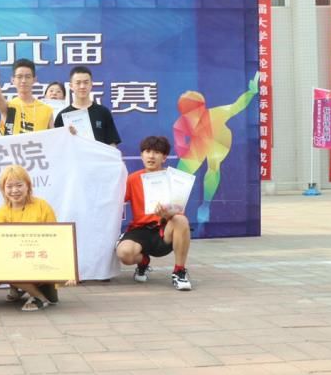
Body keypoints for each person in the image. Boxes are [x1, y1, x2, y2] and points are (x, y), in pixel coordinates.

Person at [173, 73, 259, 228]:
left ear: (202, 108)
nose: (193, 117)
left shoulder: (216, 114)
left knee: (213, 166)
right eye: (188, 114)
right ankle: (176, 208)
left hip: (219, 139)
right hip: (199, 142)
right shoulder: (181, 123)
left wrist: (251, 92)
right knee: (180, 173)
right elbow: (180, 143)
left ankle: (205, 205)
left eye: (196, 111)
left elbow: (236, 106)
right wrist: (183, 150)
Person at [0, 165, 76, 311]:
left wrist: (68, 269)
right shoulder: (1, 212)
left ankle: (27, 288)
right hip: (16, 259)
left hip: (41, 259)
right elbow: (0, 245)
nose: (14, 190)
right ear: (3, 189)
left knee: (53, 298)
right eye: (9, 186)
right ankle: (37, 296)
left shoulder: (42, 206)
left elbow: (56, 239)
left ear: (28, 186)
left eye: (19, 185)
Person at [116, 136, 193, 291]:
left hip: (164, 230)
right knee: (124, 253)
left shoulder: (174, 178)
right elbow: (115, 201)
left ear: (164, 157)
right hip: (140, 230)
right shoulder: (132, 179)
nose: (151, 156)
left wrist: (166, 215)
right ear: (141, 155)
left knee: (181, 220)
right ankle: (143, 262)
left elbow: (179, 212)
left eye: (157, 152)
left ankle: (179, 271)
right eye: (147, 151)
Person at [54, 66, 121, 147]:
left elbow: (112, 143)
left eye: (86, 82)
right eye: (78, 83)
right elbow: (58, 146)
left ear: (91, 84)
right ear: (71, 86)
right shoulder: (62, 116)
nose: (82, 86)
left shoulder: (103, 112)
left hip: (98, 155)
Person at [0, 58, 54, 135]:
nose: (23, 81)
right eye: (19, 77)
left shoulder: (47, 110)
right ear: (13, 80)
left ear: (34, 79)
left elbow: (53, 138)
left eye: (28, 77)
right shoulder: (8, 107)